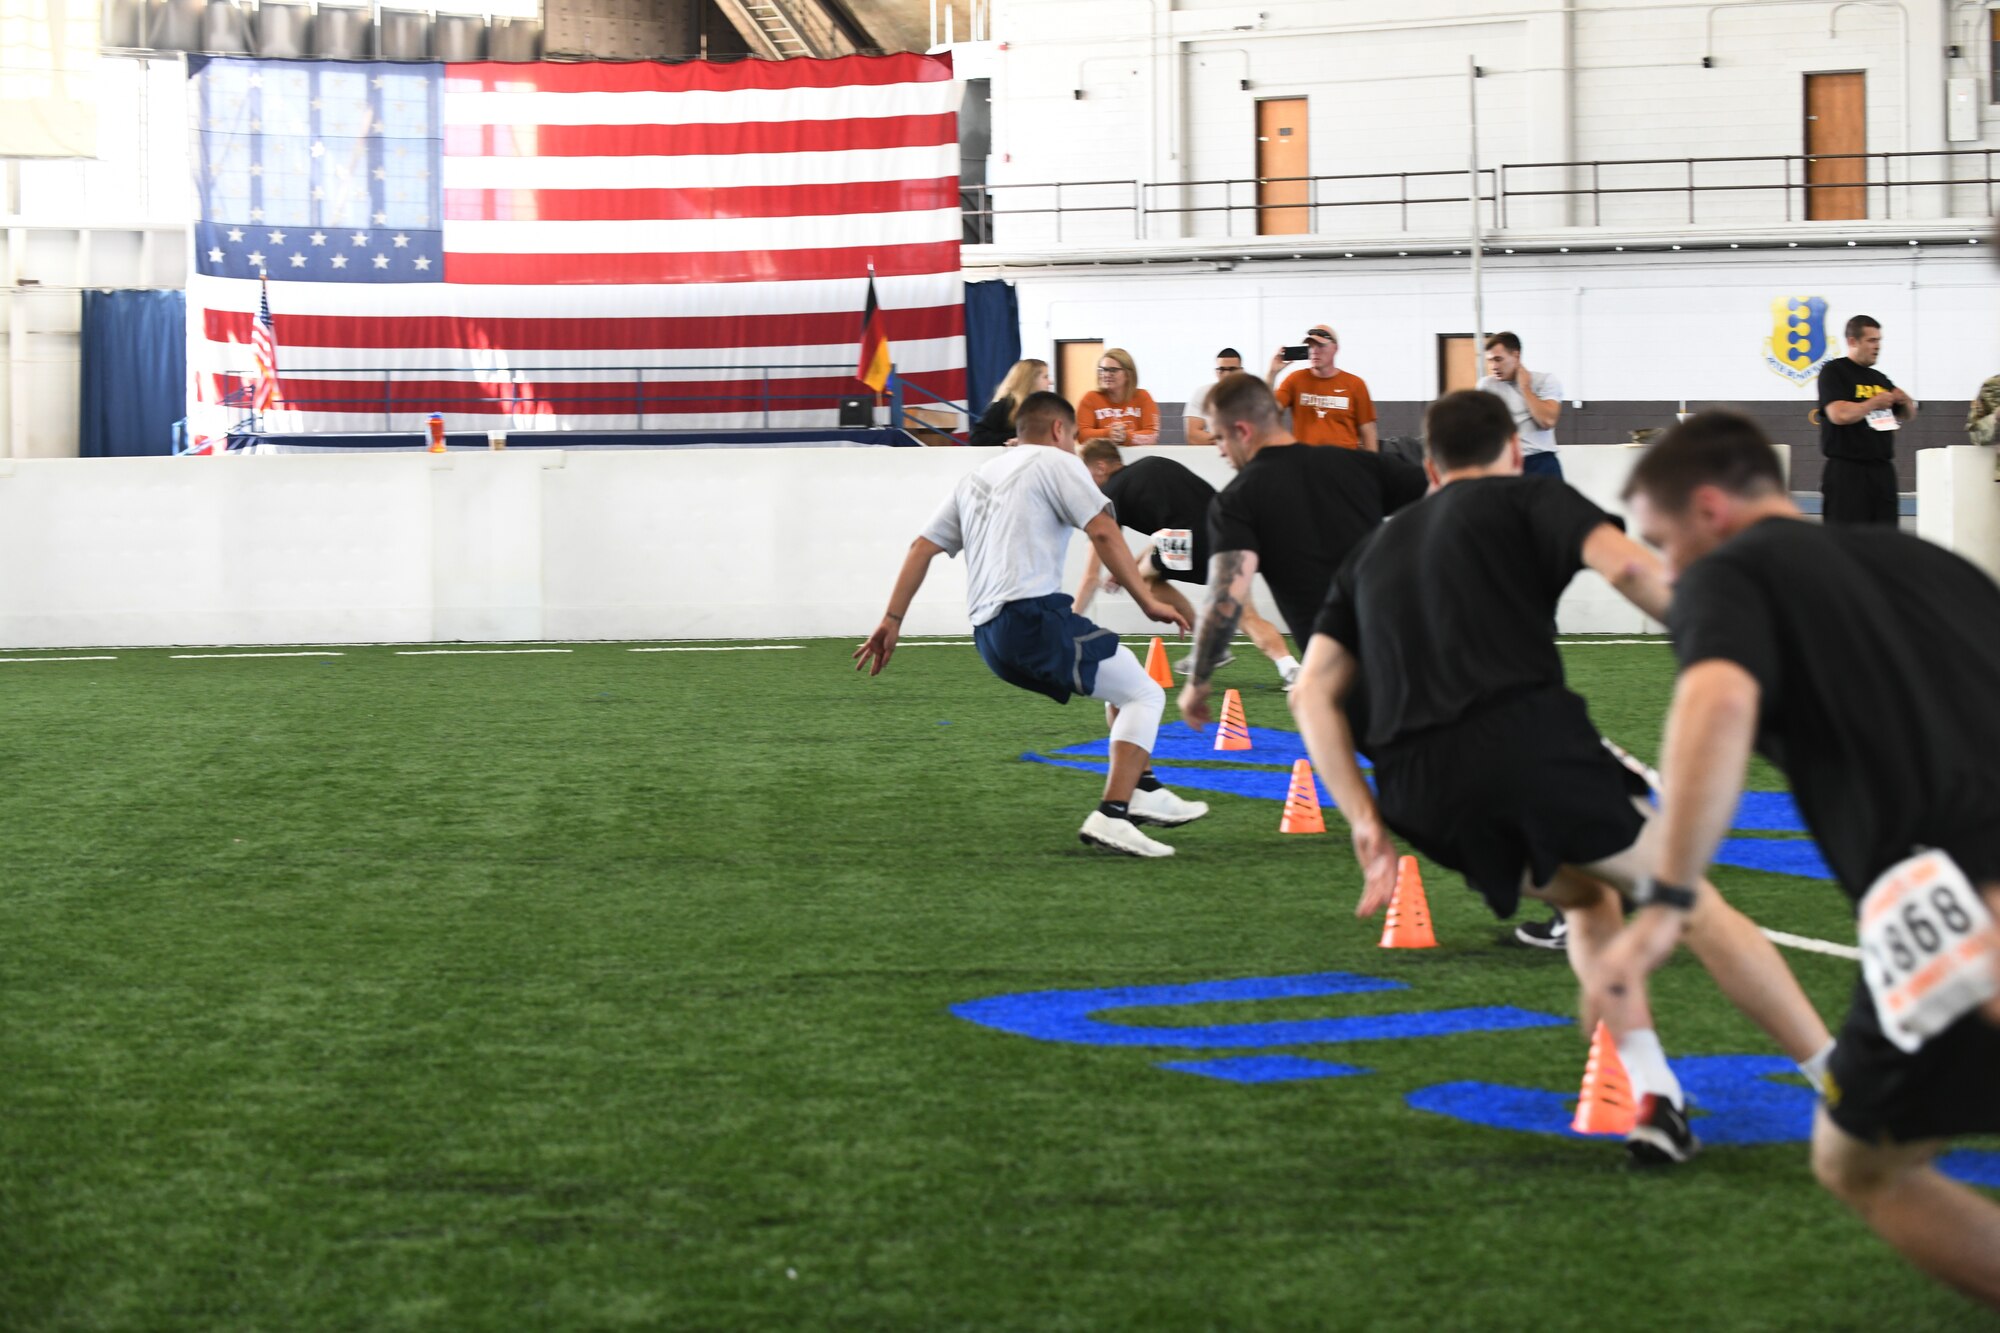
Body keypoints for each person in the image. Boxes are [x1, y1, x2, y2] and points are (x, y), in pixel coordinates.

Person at [1285, 391, 1832, 1164]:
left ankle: (1654, 1097)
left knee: (1587, 895)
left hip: (1419, 790)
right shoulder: (1531, 492)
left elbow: (1311, 692)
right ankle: (1845, 1083)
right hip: (1524, 745)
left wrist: (1368, 824)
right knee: (1695, 903)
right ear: (1513, 447)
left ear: (1431, 466)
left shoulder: (1374, 547)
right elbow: (1635, 571)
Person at [1601, 410, 2000, 1305]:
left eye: (1663, 542)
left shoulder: (1729, 572)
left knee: (1866, 1164)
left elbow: (1714, 704)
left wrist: (1667, 900)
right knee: (1863, 1150)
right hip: (1954, 897)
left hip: (1960, 894)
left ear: (1708, 509)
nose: (1666, 570)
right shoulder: (1933, 564)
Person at [855, 391, 1208, 858]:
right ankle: (1112, 813)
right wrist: (1146, 599)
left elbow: (921, 547)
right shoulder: (1059, 462)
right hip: (1030, 617)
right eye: (1075, 437)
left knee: (1125, 684)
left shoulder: (975, 477)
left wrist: (891, 619)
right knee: (1146, 694)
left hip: (988, 638)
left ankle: (1141, 786)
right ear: (1060, 431)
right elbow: (1103, 530)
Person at [1177, 372, 1424, 723]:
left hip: (1352, 676)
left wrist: (1198, 680)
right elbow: (1445, 491)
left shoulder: (1236, 501)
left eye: (1219, 438)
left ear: (1243, 431)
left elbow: (1225, 598)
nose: (1219, 451)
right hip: (1416, 644)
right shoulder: (1352, 464)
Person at [1072, 439, 1299, 686]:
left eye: (1083, 472)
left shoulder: (1109, 495)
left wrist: (1069, 623)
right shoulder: (1152, 467)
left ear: (1101, 467)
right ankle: (1290, 668)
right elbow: (1180, 525)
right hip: (1234, 533)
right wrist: (1134, 565)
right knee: (1245, 615)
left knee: (1144, 579)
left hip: (1196, 539)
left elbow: (1091, 576)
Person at [1816, 315, 1917, 526]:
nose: (1877, 346)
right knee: (1846, 539)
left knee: (1885, 538)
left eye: (1879, 340)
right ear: (1853, 342)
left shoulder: (1880, 379)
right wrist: (1872, 403)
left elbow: (1908, 414)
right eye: (1871, 340)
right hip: (1848, 471)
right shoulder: (1834, 371)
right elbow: (1838, 414)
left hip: (1882, 471)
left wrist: (1905, 400)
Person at [1265, 325, 1378, 451]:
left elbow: (1368, 431)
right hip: (1305, 463)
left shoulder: (1355, 384)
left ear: (1335, 348)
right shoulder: (1295, 380)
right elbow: (1269, 413)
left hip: (1343, 463)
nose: (1314, 351)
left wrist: (1372, 466)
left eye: (1320, 346)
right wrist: (1272, 374)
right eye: (1311, 346)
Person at [1477, 331, 1564, 478]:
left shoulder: (1544, 381)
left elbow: (1547, 421)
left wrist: (1525, 388)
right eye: (1490, 360)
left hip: (1540, 461)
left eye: (1499, 359)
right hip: (1504, 463)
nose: (1493, 366)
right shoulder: (1486, 385)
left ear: (1516, 356)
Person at [1076, 348, 1160, 445]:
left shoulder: (1143, 397)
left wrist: (1125, 437)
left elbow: (1152, 436)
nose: (1106, 374)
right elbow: (1081, 435)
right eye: (1102, 370)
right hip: (1102, 457)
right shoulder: (1090, 398)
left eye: (1113, 370)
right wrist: (1108, 434)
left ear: (1128, 374)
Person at [969, 359, 1050, 447]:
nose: (1050, 382)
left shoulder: (1043, 407)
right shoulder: (1004, 405)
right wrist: (1014, 438)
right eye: (1045, 377)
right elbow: (977, 437)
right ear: (1030, 379)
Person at [1182, 347, 1244, 447]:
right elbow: (1193, 437)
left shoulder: (1252, 395)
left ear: (1241, 371)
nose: (1227, 374)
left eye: (1232, 369)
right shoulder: (1203, 393)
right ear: (1216, 371)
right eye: (1222, 369)